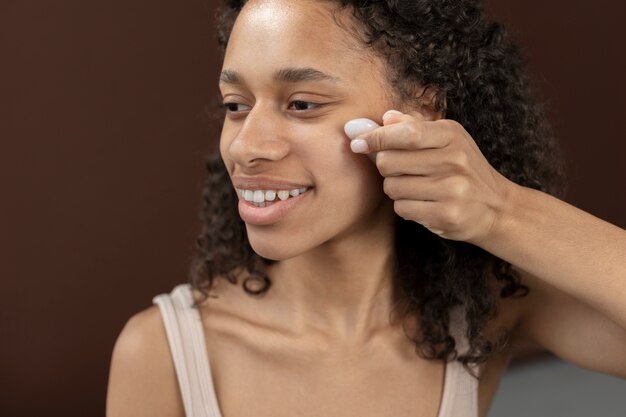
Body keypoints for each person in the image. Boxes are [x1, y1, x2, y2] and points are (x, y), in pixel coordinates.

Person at [106, 0, 626, 416]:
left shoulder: (486, 314)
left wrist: (501, 211)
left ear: (419, 114)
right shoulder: (163, 354)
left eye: (302, 104)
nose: (246, 147)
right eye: (236, 106)